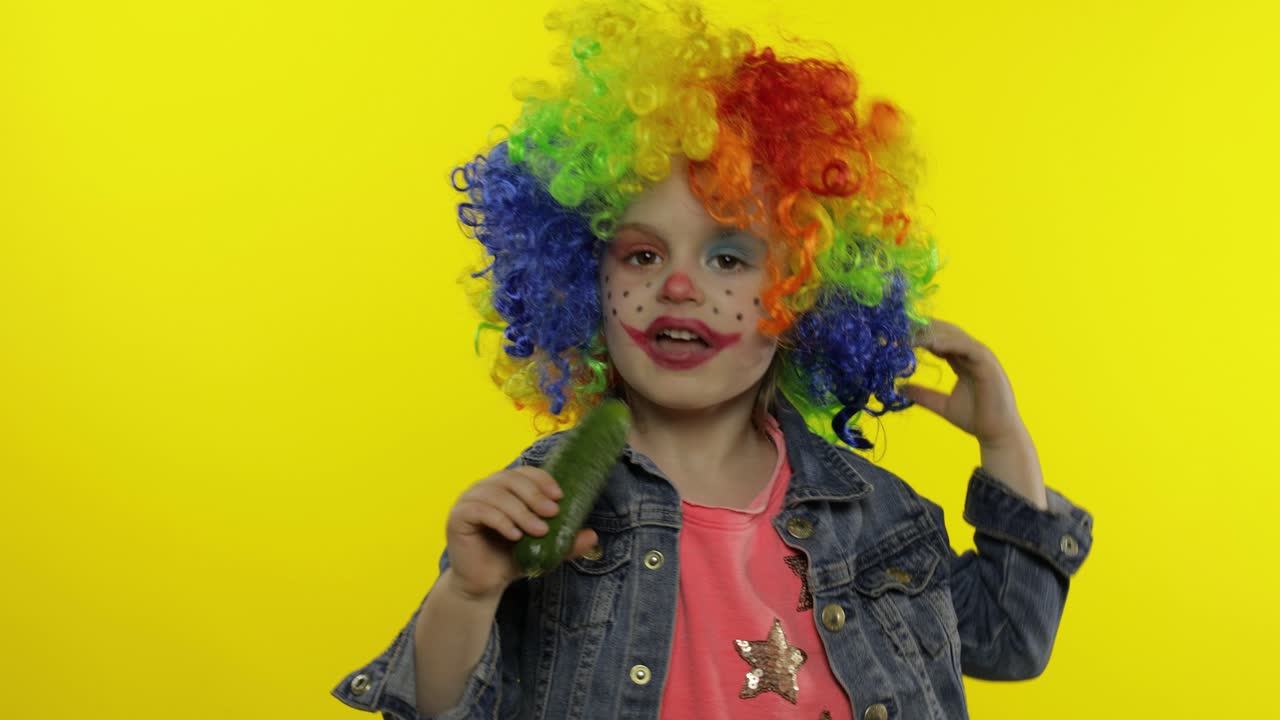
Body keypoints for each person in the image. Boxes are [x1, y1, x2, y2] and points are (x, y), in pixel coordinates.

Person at [331, 2, 1094, 718]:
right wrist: (467, 594)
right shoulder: (552, 499)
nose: (680, 285)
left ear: (802, 291)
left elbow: (1009, 641)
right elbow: (440, 704)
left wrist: (1004, 443)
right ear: (581, 279)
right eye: (641, 254)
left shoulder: (873, 513)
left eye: (728, 258)